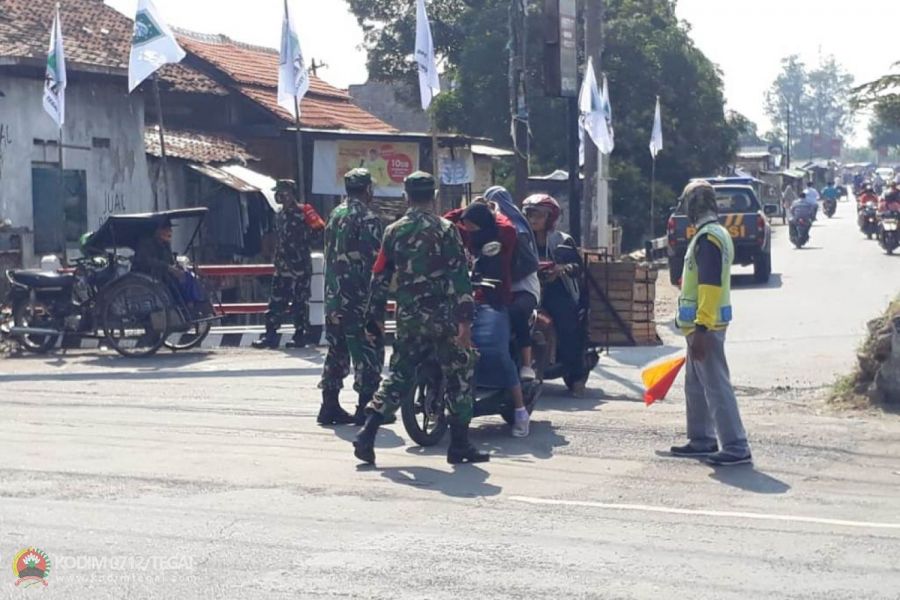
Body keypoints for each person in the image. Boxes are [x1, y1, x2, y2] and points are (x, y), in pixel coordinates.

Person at [354, 172, 488, 466]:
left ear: (406, 195)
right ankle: (460, 445)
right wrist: (465, 322)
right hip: (443, 320)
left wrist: (372, 320)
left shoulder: (393, 231)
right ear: (435, 195)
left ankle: (367, 433)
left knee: (400, 376)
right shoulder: (446, 230)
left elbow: (379, 276)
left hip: (409, 319)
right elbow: (459, 278)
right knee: (460, 374)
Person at [668, 181, 751, 467]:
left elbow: (710, 285)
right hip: (700, 326)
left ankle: (736, 445)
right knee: (695, 385)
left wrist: (702, 328)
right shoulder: (713, 234)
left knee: (716, 386)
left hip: (706, 326)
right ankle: (702, 439)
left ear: (693, 206)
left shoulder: (708, 238)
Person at [446, 201, 531, 438]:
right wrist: (463, 212)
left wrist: (494, 210)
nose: (469, 231)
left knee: (495, 350)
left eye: (473, 226)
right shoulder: (464, 231)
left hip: (492, 300)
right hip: (464, 298)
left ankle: (520, 409)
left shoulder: (504, 234)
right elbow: (446, 220)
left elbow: (505, 224)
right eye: (467, 226)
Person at [317, 169, 385, 426]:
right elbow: (375, 263)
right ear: (368, 189)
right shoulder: (368, 218)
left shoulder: (335, 214)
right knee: (368, 350)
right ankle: (364, 408)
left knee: (337, 350)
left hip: (334, 297)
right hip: (358, 298)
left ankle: (329, 405)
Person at [523, 194, 588, 396]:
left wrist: (560, 270)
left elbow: (577, 267)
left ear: (550, 218)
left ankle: (577, 376)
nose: (534, 219)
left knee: (568, 324)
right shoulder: (520, 238)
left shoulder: (561, 240)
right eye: (530, 214)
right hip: (526, 288)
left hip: (554, 290)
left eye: (539, 215)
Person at [253, 180, 325, 350]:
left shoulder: (305, 211)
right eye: (277, 193)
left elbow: (321, 231)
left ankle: (300, 336)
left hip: (300, 264)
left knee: (300, 302)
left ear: (291, 193)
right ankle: (270, 335)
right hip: (283, 265)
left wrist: (304, 242)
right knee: (276, 301)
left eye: (282, 192)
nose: (279, 196)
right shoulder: (279, 214)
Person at [485, 186, 541, 381]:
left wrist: (507, 277)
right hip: (496, 286)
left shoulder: (518, 230)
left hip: (523, 288)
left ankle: (526, 364)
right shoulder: (486, 230)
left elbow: (531, 263)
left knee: (515, 312)